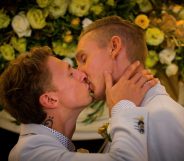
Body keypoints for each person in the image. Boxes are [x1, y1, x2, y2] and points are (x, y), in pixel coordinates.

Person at [0, 46, 157, 161]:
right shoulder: (32, 154)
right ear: (50, 99)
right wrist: (126, 107)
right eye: (70, 73)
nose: (81, 74)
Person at [76, 15, 184, 161]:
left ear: (114, 47)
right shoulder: (130, 110)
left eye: (84, 59)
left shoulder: (161, 115)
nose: (79, 73)